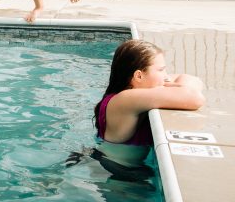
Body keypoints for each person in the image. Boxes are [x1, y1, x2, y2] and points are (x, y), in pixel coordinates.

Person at [88, 39, 205, 178]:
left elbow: (192, 79)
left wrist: (172, 86)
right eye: (161, 70)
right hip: (115, 172)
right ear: (139, 75)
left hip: (120, 166)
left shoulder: (129, 94)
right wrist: (175, 87)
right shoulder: (126, 98)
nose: (166, 76)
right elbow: (196, 98)